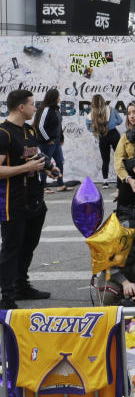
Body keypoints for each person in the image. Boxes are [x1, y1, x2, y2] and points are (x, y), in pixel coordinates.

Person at [0, 89, 56, 308]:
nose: (36, 108)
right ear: (21, 107)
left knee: (28, 246)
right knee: (11, 249)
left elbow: (34, 156)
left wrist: (49, 167)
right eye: (33, 104)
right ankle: (6, 297)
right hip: (11, 202)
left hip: (34, 199)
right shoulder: (3, 133)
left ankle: (21, 286)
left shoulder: (29, 129)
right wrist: (26, 167)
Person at [34, 89, 68, 193]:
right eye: (58, 96)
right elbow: (40, 126)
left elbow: (58, 125)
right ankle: (43, 187)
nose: (59, 98)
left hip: (56, 142)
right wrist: (48, 139)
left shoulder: (55, 110)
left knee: (60, 162)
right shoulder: (45, 109)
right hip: (46, 143)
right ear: (54, 97)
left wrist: (61, 138)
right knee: (45, 164)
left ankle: (60, 185)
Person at [86, 94, 123, 188]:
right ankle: (121, 180)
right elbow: (120, 121)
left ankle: (105, 182)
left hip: (102, 137)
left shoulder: (90, 115)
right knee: (120, 158)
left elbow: (89, 129)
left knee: (105, 160)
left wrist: (98, 129)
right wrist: (111, 123)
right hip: (114, 134)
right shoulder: (110, 110)